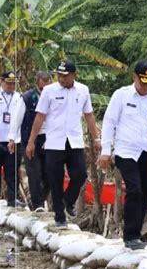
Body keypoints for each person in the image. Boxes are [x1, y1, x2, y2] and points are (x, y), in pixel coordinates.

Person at [97, 60, 147, 250]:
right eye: (144, 83)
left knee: (146, 193)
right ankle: (130, 236)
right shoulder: (121, 95)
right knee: (134, 190)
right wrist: (106, 151)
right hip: (126, 151)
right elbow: (109, 122)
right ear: (135, 77)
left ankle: (136, 233)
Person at [26, 60, 101, 228]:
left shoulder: (83, 90)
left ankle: (68, 200)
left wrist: (97, 139)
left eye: (65, 76)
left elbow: (89, 115)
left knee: (80, 174)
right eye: (59, 75)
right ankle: (60, 217)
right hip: (54, 142)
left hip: (74, 141)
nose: (61, 78)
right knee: (55, 180)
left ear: (74, 75)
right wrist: (31, 142)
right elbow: (40, 117)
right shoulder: (49, 91)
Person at [8, 72, 52, 211]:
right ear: (37, 85)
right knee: (34, 172)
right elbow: (17, 119)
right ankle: (37, 204)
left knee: (49, 174)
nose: (45, 90)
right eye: (43, 88)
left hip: (49, 139)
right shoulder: (27, 98)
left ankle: (42, 198)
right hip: (29, 140)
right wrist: (12, 139)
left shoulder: (54, 97)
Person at [0, 72, 24, 207]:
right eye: (8, 82)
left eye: (13, 83)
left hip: (14, 141)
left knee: (12, 171)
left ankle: (13, 199)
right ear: (1, 81)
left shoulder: (19, 97)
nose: (10, 85)